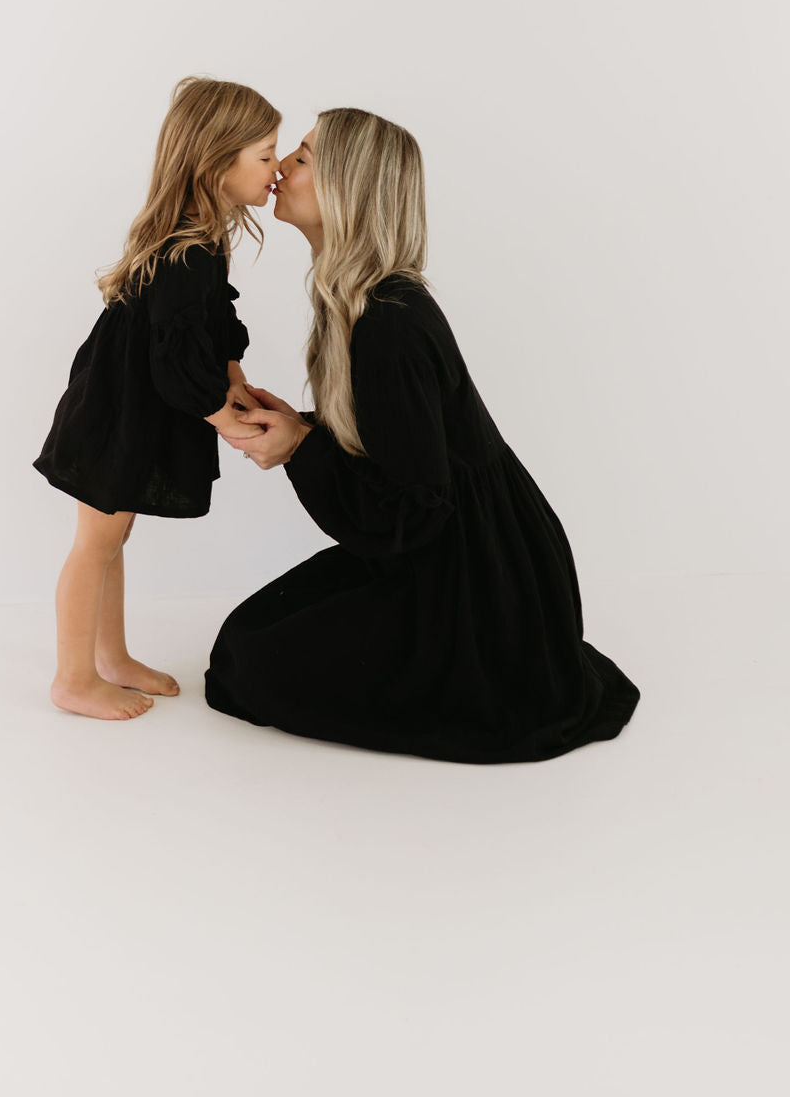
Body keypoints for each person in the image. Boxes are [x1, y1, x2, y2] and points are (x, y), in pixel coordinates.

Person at [205, 109, 640, 762]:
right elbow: (396, 449)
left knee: (249, 663)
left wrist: (300, 447)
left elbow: (411, 508)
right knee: (249, 637)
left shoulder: (388, 323)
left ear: (349, 186)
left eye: (305, 153)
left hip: (473, 579)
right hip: (454, 548)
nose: (285, 165)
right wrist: (306, 428)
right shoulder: (362, 304)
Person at [34, 76, 280, 720]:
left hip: (135, 411)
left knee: (113, 537)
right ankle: (71, 678)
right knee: (96, 541)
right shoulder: (185, 251)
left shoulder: (204, 240)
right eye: (265, 154)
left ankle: (110, 658)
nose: (276, 168)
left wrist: (233, 378)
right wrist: (228, 419)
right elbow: (173, 366)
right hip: (118, 413)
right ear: (217, 160)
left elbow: (211, 333)